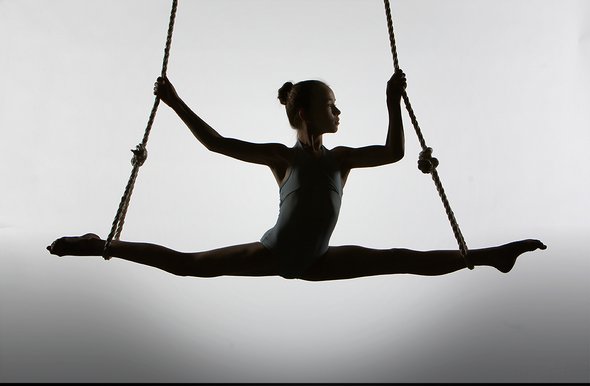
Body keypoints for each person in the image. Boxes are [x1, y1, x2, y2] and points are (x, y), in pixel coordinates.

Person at [47, 71, 546, 280]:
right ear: (306, 111)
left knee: (404, 260)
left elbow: (395, 151)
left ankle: (490, 256)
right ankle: (101, 244)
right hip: (273, 251)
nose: (339, 112)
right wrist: (175, 102)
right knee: (186, 264)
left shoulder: (340, 159)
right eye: (332, 105)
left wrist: (393, 101)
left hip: (318, 259)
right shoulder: (282, 159)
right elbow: (218, 143)